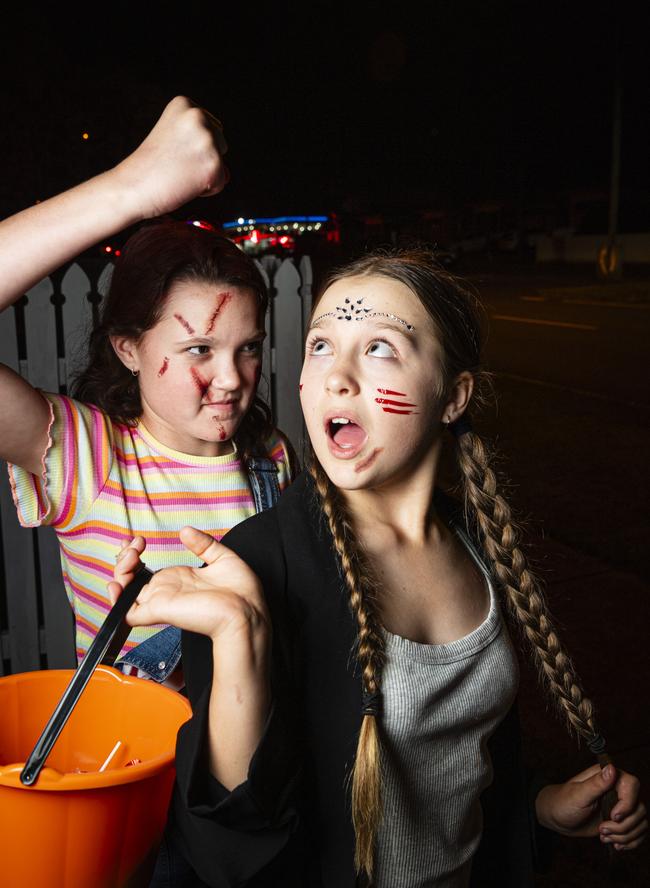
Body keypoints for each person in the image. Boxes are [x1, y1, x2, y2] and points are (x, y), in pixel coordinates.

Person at [112, 249, 646, 886]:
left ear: (453, 395)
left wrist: (540, 808)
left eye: (381, 349)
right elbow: (231, 850)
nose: (337, 376)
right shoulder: (255, 568)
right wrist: (239, 635)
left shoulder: (481, 542)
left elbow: (463, 756)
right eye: (320, 345)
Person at [0, 96, 296, 682]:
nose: (234, 378)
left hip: (258, 769)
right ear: (128, 349)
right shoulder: (87, 459)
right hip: (137, 768)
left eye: (249, 347)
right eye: (199, 350)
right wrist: (132, 186)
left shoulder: (272, 459)